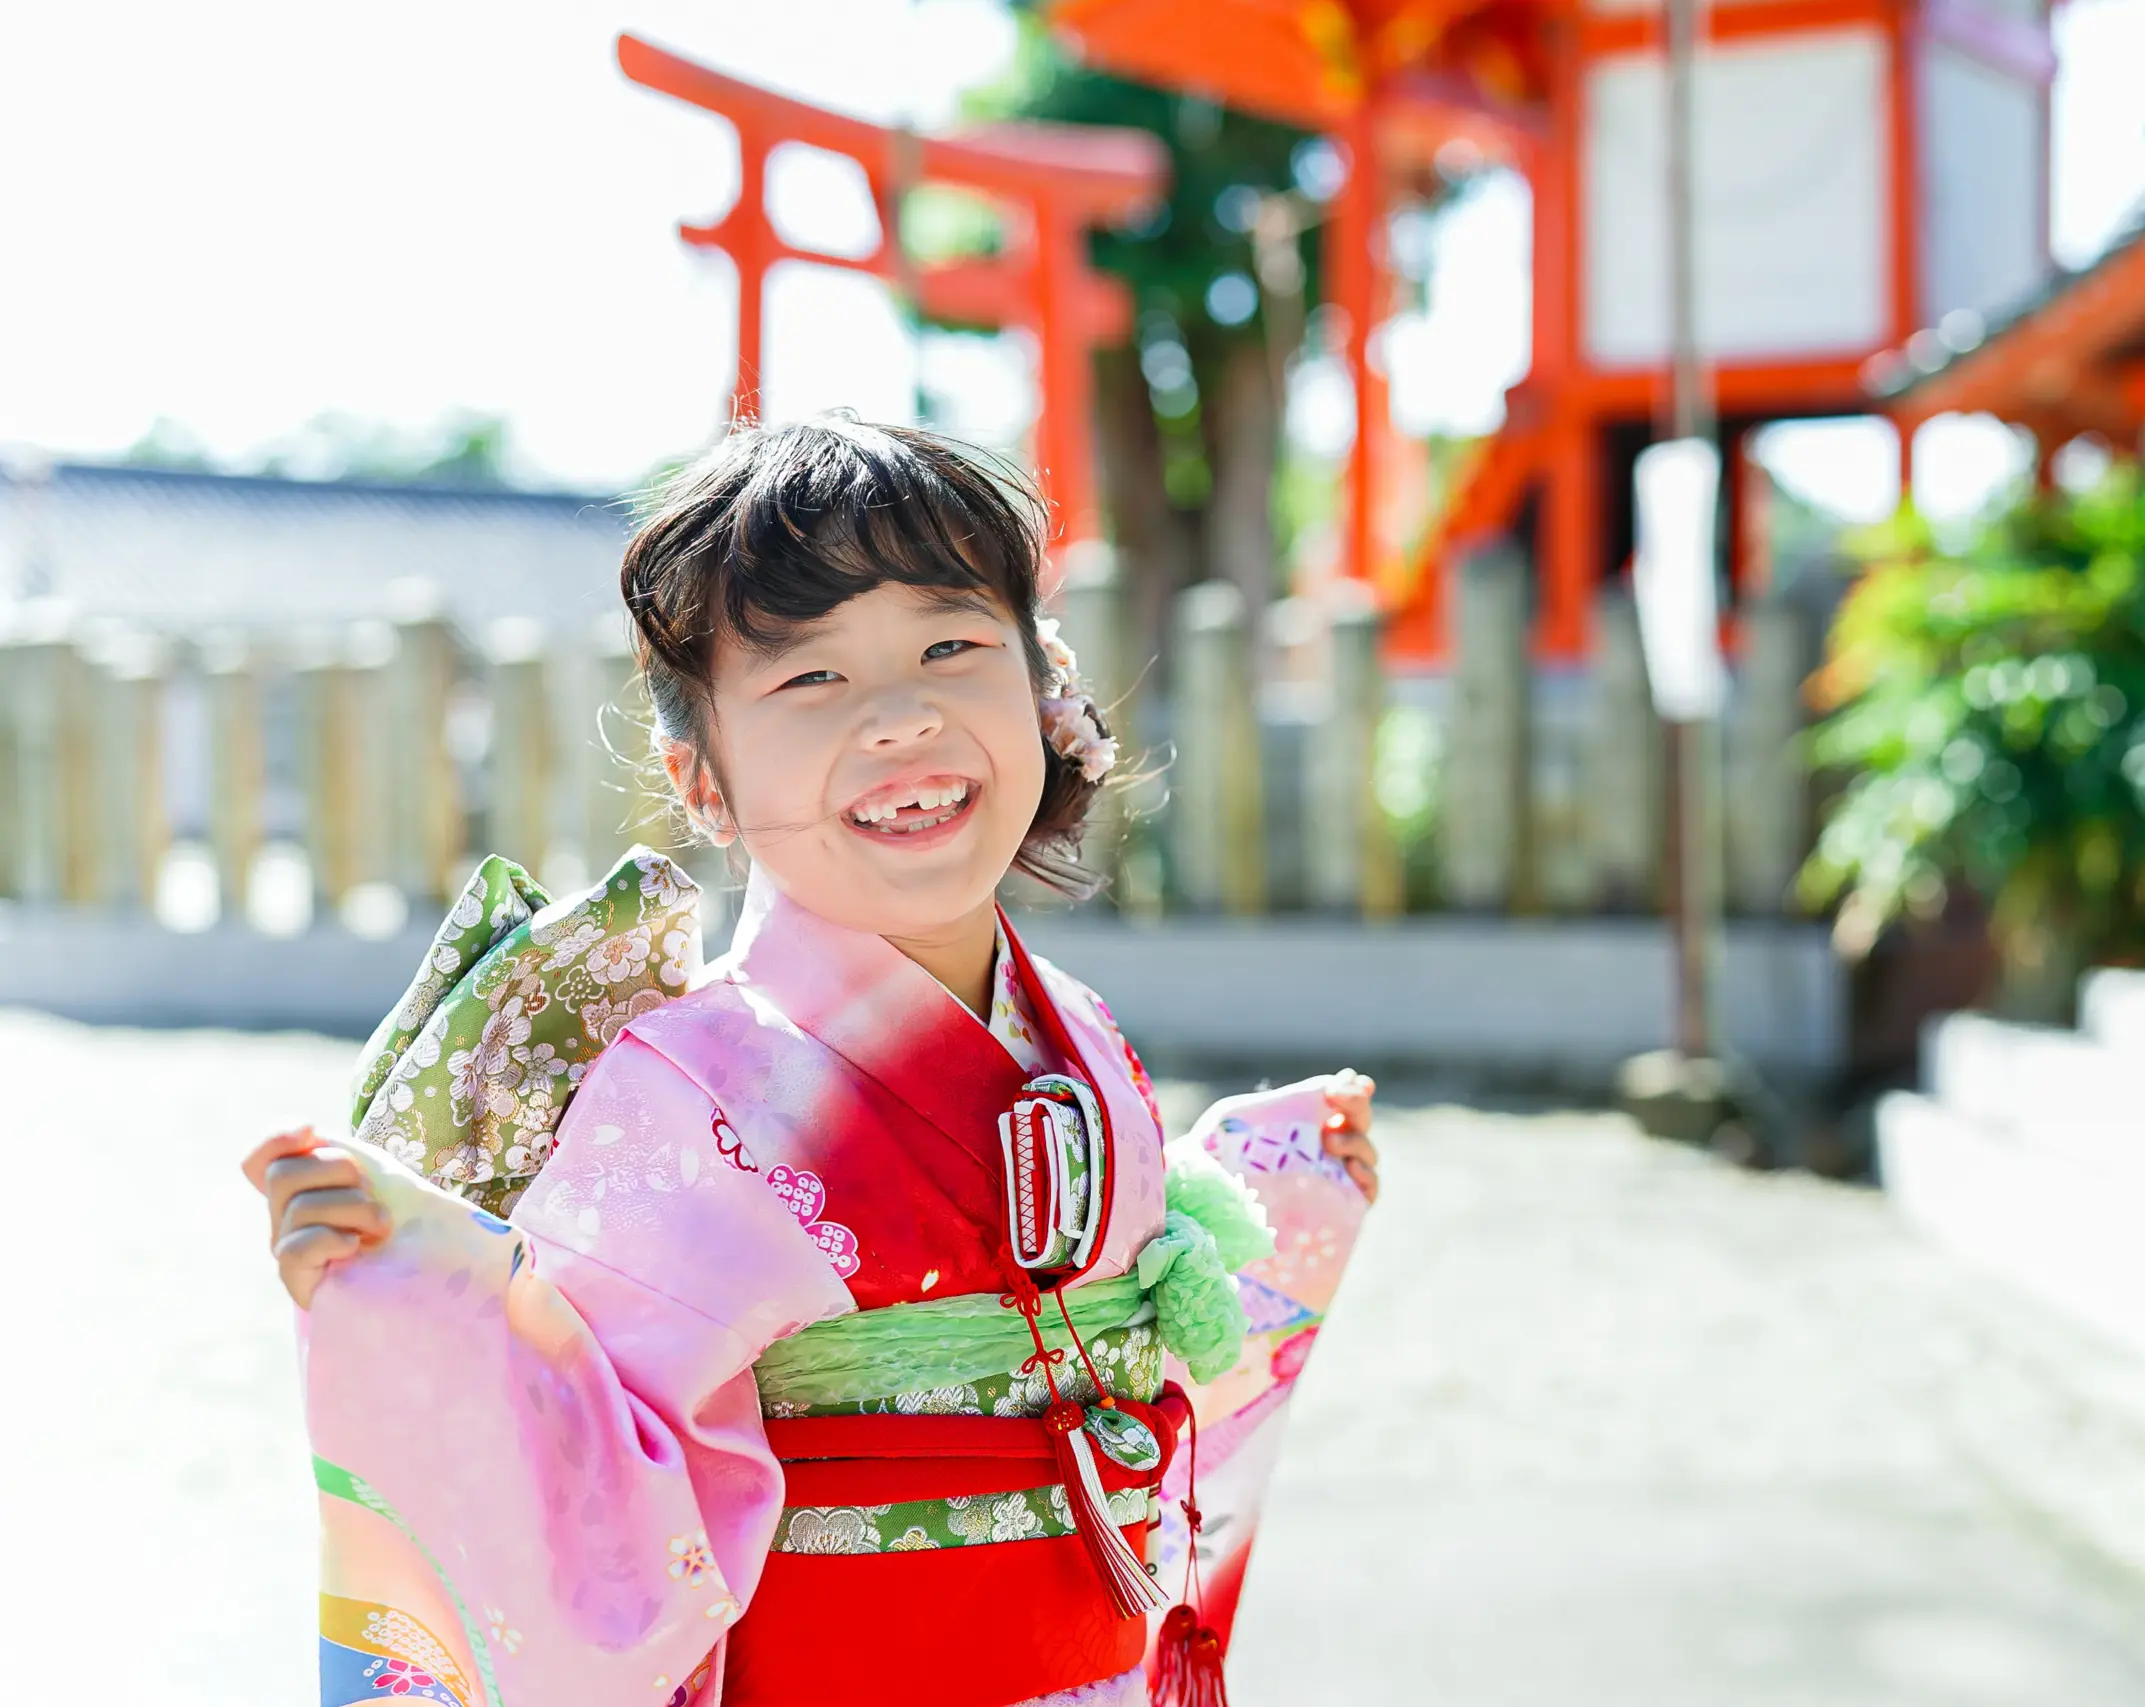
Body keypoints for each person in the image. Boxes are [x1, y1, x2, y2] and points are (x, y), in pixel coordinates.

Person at [241, 415, 1381, 1707]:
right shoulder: (693, 1094)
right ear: (703, 779)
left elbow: (1118, 1326)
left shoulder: (1076, 1025)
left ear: (1044, 686)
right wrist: (416, 1285)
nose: (902, 716)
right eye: (810, 680)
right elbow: (585, 1464)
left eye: (952, 646)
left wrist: (1270, 1188)